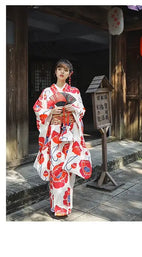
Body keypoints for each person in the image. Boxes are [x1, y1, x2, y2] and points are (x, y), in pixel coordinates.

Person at [33, 59, 92, 218]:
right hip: (53, 135)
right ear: (55, 71)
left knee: (67, 169)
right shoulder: (47, 92)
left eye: (65, 70)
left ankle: (65, 207)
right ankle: (56, 206)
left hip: (70, 136)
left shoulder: (75, 92)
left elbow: (82, 111)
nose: (62, 72)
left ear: (69, 74)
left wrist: (73, 108)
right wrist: (51, 112)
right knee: (56, 169)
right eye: (59, 68)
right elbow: (38, 109)